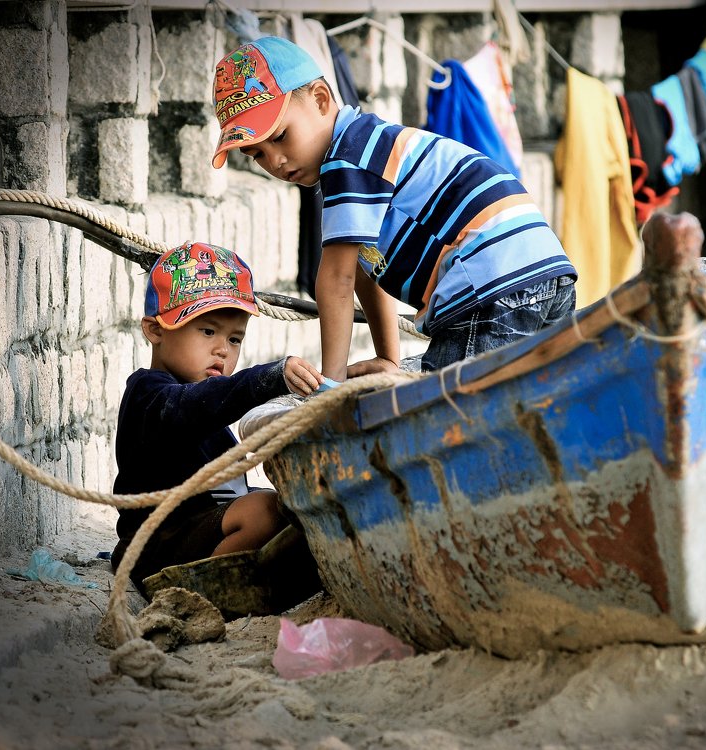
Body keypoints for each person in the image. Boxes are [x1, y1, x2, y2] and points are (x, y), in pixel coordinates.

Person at [209, 36, 578, 378]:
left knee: (444, 411)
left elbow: (336, 280)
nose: (274, 162)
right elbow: (365, 269)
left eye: (280, 137)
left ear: (322, 100)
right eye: (257, 154)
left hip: (492, 286)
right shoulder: (371, 145)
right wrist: (388, 357)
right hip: (544, 271)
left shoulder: (346, 159)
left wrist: (330, 385)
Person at [111, 240, 324, 594]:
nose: (223, 349)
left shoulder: (208, 405)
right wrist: (265, 379)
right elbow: (198, 405)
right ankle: (201, 592)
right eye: (208, 331)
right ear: (156, 330)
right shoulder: (150, 395)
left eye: (235, 338)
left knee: (296, 509)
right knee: (263, 511)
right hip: (156, 546)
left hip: (203, 532)